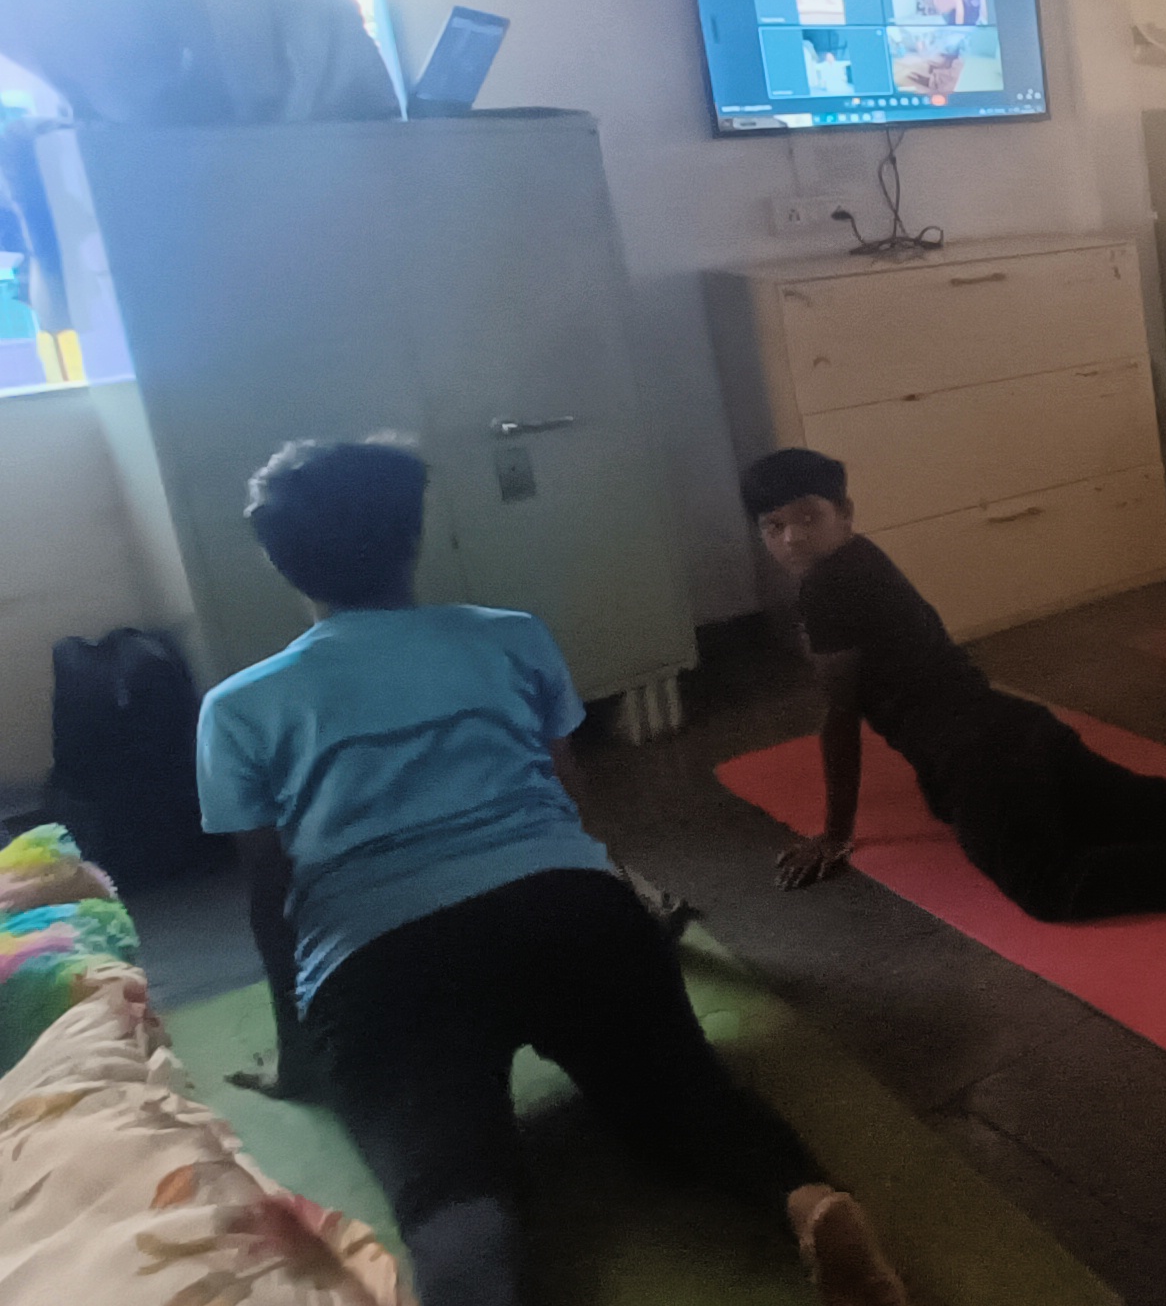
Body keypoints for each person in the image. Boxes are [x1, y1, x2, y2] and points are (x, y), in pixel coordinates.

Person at [200, 438, 911, 1306]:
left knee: (449, 1178)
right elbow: (570, 796)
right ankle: (808, 1202)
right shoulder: (510, 634)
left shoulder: (237, 708)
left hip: (383, 962)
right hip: (569, 909)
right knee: (685, 1098)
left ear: (277, 561)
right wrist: (612, 908)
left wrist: (298, 1048)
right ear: (412, 539)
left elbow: (270, 895)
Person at [747, 447, 1166, 938]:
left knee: (1048, 885)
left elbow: (840, 715)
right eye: (774, 526)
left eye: (807, 517)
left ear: (845, 514)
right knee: (1153, 807)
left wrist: (835, 834)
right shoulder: (862, 558)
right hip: (1015, 728)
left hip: (980, 758)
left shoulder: (825, 590)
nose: (793, 537)